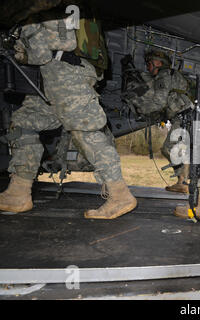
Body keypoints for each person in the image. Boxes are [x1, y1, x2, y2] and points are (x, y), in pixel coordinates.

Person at [0, 18, 137, 219]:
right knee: (22, 122)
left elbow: (38, 53)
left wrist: (17, 48)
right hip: (56, 73)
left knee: (84, 131)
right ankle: (18, 192)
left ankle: (120, 195)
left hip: (65, 72)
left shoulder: (40, 10)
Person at [121, 49, 194, 195]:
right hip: (183, 117)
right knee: (171, 148)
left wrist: (141, 107)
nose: (148, 66)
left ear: (159, 63)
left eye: (150, 63)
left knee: (170, 148)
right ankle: (183, 182)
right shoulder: (168, 76)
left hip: (185, 117)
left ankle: (186, 182)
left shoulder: (164, 75)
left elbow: (159, 102)